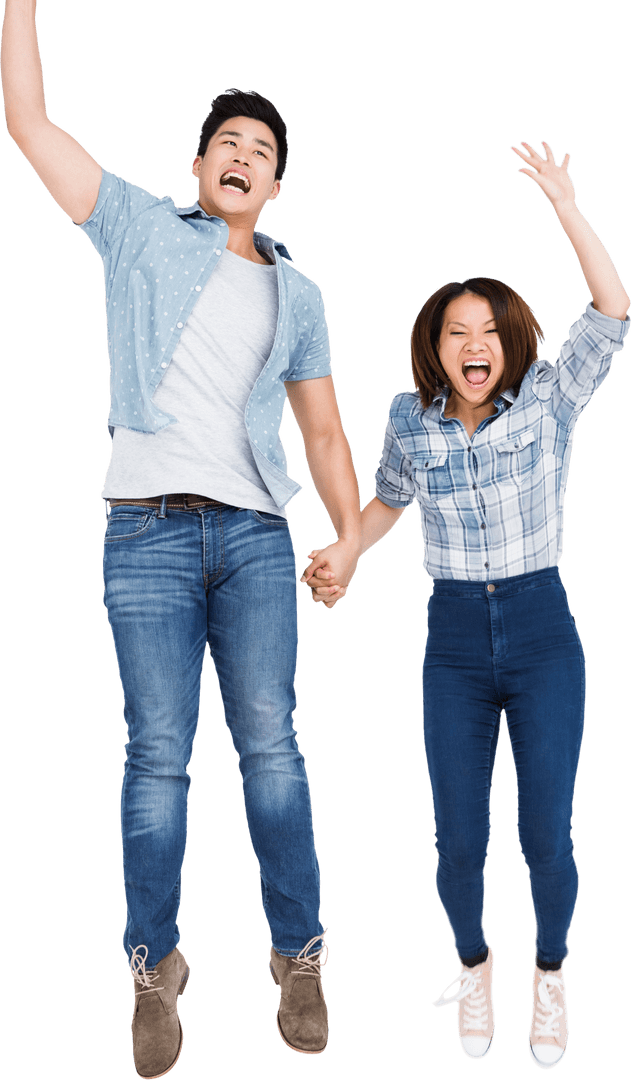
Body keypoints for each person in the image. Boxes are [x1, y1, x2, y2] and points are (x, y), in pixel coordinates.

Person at [1, 1, 362, 1075]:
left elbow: (326, 428)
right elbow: (26, 117)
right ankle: (153, 972)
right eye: (229, 146)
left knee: (272, 752)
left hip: (256, 537)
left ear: (277, 184)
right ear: (198, 167)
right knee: (157, 758)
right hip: (145, 533)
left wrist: (349, 538)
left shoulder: (298, 292)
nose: (244, 158)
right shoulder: (138, 228)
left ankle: (298, 956)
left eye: (263, 152)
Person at [303, 140, 630, 1068]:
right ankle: (475, 967)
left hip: (540, 629)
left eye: (487, 328)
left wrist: (567, 206)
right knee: (454, 841)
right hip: (450, 638)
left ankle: (551, 975)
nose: (473, 343)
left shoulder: (547, 404)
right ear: (433, 348)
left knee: (545, 836)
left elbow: (612, 310)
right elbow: (385, 504)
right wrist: (346, 552)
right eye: (456, 330)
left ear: (509, 340)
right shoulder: (409, 419)